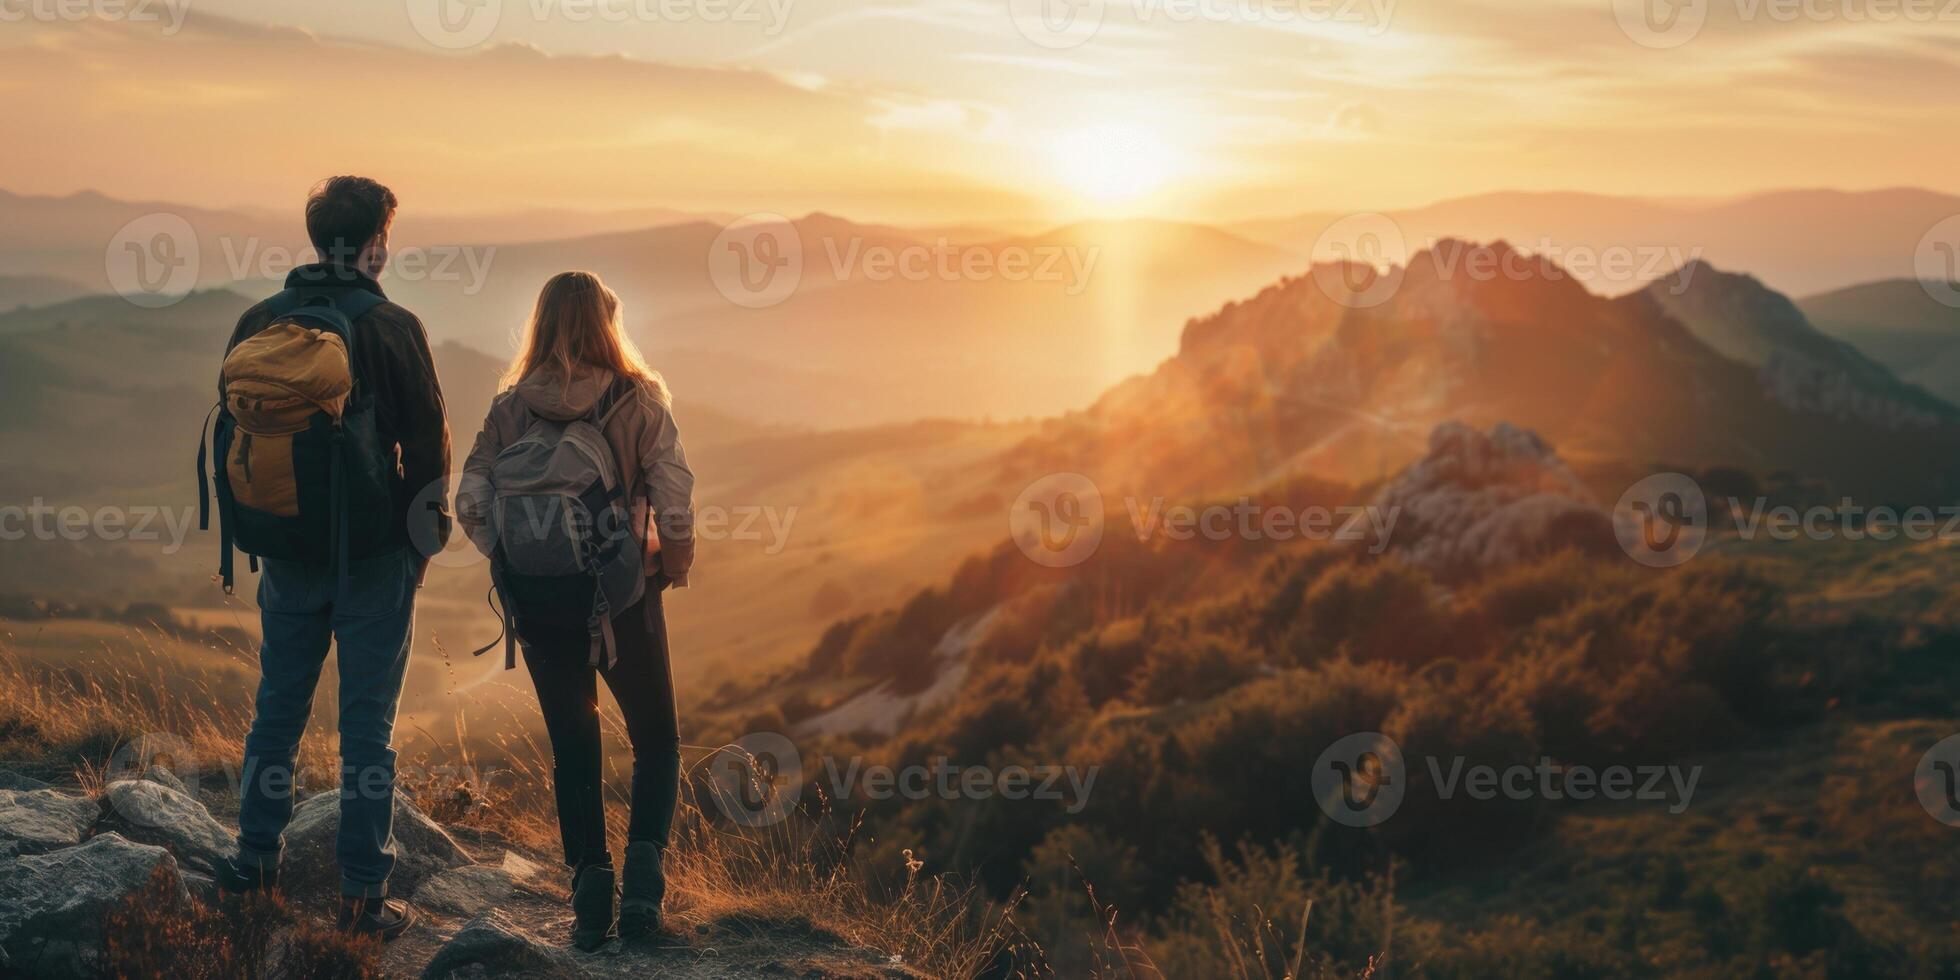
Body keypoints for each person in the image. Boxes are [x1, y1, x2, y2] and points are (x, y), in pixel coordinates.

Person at [214, 176, 451, 940]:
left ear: (319, 240)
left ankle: (252, 863)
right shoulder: (392, 326)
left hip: (284, 548)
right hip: (374, 557)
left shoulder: (261, 319)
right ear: (376, 244)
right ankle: (360, 898)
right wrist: (421, 547)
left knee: (276, 712)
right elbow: (428, 448)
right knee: (367, 729)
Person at [459, 271, 694, 949]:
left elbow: (470, 501)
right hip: (624, 600)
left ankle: (591, 898)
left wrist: (515, 559)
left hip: (539, 607)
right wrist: (669, 569)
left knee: (573, 748)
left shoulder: (510, 408)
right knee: (655, 739)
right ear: (607, 324)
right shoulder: (637, 400)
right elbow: (675, 503)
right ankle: (644, 894)